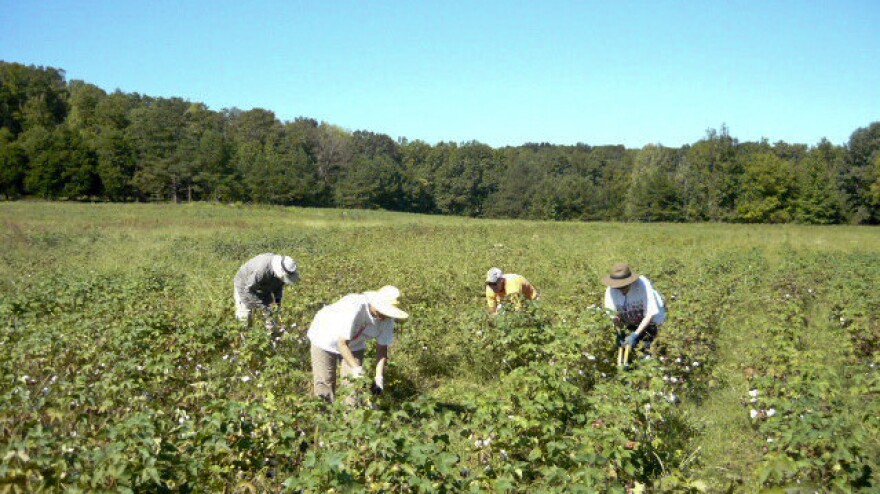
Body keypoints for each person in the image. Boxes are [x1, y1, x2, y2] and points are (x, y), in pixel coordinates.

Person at [307, 285, 408, 403]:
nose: (383, 316)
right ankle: (324, 416)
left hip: (355, 344)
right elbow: (342, 344)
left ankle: (351, 417)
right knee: (325, 382)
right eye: (382, 311)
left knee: (354, 386)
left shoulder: (387, 320)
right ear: (375, 304)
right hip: (325, 336)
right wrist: (356, 369)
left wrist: (379, 377)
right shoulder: (355, 307)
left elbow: (382, 349)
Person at [601, 263, 666, 366]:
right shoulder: (610, 291)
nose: (622, 289)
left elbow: (650, 314)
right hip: (630, 318)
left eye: (624, 286)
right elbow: (614, 315)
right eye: (619, 288)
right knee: (630, 348)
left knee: (648, 349)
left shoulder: (643, 285)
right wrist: (620, 333)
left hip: (652, 320)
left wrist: (635, 335)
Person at [233, 253, 299, 329]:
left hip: (264, 286)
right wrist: (263, 307)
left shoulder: (281, 271)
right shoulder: (262, 270)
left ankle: (271, 335)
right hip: (244, 284)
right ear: (280, 271)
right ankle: (244, 335)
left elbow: (279, 286)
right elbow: (248, 290)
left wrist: (278, 301)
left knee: (271, 315)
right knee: (245, 316)